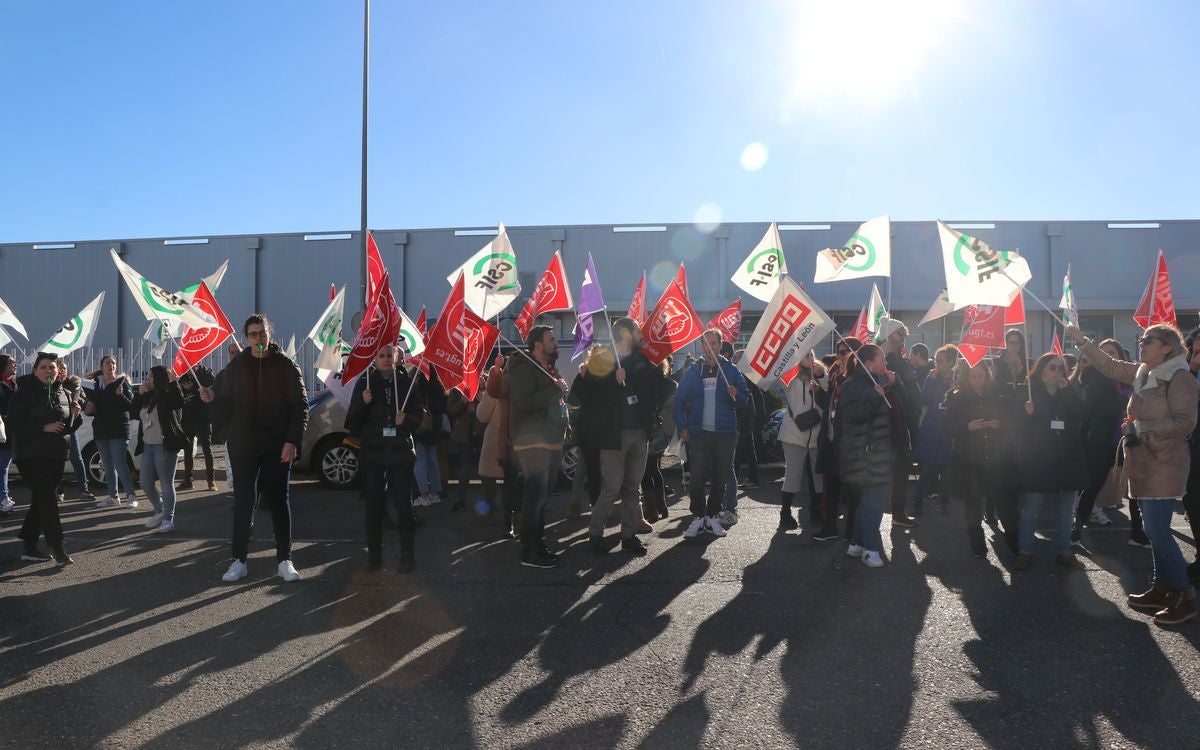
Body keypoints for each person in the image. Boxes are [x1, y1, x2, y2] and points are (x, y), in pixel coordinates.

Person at [1067, 323, 1198, 625]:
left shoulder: (1180, 378)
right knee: (1154, 532)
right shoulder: (1143, 371)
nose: (1141, 344)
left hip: (1165, 464)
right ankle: (1162, 586)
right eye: (1140, 339)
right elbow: (1109, 365)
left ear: (1167, 346)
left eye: (1147, 340)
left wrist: (1142, 429)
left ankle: (1184, 595)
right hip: (1142, 464)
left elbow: (1185, 423)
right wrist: (1082, 340)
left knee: (1158, 532)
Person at [201, 314, 309, 583]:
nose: (259, 338)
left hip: (277, 446)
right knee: (243, 503)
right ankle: (238, 560)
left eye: (262, 333)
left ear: (269, 334)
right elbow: (225, 404)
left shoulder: (285, 365)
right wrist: (212, 399)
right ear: (246, 337)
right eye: (253, 334)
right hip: (244, 446)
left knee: (279, 503)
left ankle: (284, 559)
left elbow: (300, 406)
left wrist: (292, 441)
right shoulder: (237, 367)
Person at [577, 318, 671, 556]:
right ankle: (595, 533)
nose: (642, 334)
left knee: (632, 487)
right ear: (626, 333)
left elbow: (657, 391)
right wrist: (612, 381)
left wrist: (660, 371)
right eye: (638, 330)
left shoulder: (642, 361)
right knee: (611, 487)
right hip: (613, 435)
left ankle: (629, 536)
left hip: (640, 434)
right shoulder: (602, 359)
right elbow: (586, 395)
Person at [345, 344, 423, 572]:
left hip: (400, 451)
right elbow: (353, 421)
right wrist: (363, 403)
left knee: (403, 505)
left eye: (390, 355)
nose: (386, 359)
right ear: (375, 358)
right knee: (374, 506)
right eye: (382, 355)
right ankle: (375, 556)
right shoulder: (365, 383)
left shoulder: (406, 382)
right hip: (373, 453)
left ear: (397, 357)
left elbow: (419, 417)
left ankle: (408, 556)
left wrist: (406, 420)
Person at [1014, 352, 1088, 570]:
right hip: (1038, 458)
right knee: (1031, 509)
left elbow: (1082, 413)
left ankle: (1064, 552)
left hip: (1067, 458)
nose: (1057, 372)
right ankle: (1024, 551)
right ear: (1041, 369)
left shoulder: (1068, 390)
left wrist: (1067, 390)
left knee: (1066, 510)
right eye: (1052, 367)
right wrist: (1026, 414)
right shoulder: (1028, 391)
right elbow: (1015, 426)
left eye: (1060, 368)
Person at [674, 329, 748, 539]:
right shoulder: (693, 371)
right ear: (702, 346)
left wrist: (736, 394)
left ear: (720, 345)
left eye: (714, 343)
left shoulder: (730, 370)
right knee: (696, 478)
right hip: (700, 433)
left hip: (725, 433)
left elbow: (745, 400)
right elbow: (679, 401)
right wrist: (683, 426)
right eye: (706, 344)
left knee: (720, 478)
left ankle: (713, 516)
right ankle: (699, 517)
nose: (710, 347)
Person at [9, 352, 82, 564]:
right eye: (43, 367)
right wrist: (43, 427)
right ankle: (58, 547)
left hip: (56, 455)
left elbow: (68, 428)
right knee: (48, 501)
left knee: (42, 500)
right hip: (30, 455)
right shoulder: (24, 393)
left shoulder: (64, 392)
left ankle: (29, 546)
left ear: (58, 371)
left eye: (52, 367)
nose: (48, 371)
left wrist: (76, 415)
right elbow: (14, 423)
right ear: (35, 371)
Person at [506, 325, 569, 568]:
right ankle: (529, 550)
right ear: (538, 345)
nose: (556, 343)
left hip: (552, 440)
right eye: (552, 339)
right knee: (535, 496)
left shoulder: (549, 367)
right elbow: (524, 401)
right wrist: (554, 390)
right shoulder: (523, 368)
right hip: (532, 442)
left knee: (543, 499)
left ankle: (538, 544)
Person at [838, 344, 903, 568]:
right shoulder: (852, 385)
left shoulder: (879, 382)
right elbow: (852, 415)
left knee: (869, 500)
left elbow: (903, 403)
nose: (885, 364)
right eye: (881, 360)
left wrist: (893, 384)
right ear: (868, 364)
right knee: (874, 501)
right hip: (864, 453)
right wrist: (876, 397)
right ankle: (870, 549)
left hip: (878, 451)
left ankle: (856, 543)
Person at [943, 359, 1008, 558]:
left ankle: (1015, 540)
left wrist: (1000, 423)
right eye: (972, 376)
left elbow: (1010, 419)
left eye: (980, 375)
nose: (976, 380)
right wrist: (967, 427)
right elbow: (947, 427)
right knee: (972, 504)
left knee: (1003, 501)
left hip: (995, 456)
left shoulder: (996, 393)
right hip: (968, 459)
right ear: (965, 377)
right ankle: (977, 544)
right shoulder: (955, 397)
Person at [1071, 339, 1130, 542]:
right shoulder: (1094, 377)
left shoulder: (1132, 376)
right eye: (1103, 353)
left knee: (1135, 491)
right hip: (1103, 441)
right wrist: (1123, 401)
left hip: (1132, 440)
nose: (1108, 357)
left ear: (1120, 355)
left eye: (1112, 352)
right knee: (1092, 486)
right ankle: (1076, 530)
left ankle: (1140, 533)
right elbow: (1094, 410)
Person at [813, 337, 863, 542]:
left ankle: (853, 531)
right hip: (832, 438)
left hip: (850, 442)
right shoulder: (834, 374)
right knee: (832, 486)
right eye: (839, 352)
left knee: (852, 489)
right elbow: (828, 405)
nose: (840, 356)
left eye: (844, 352)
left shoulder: (860, 377)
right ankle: (830, 525)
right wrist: (819, 392)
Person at [775, 350, 828, 530]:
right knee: (793, 474)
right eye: (806, 356)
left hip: (817, 434)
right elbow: (778, 375)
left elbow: (829, 393)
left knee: (817, 476)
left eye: (812, 355)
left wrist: (820, 376)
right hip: (793, 434)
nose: (811, 359)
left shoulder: (821, 374)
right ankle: (785, 513)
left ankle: (816, 512)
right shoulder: (790, 376)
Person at [131, 365, 187, 533]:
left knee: (166, 484)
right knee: (146, 483)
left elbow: (180, 401)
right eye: (148, 376)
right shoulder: (147, 396)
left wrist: (173, 382)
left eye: (151, 376)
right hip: (148, 446)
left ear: (159, 378)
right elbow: (134, 413)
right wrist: (139, 394)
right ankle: (160, 509)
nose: (148, 379)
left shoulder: (169, 394)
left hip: (165, 446)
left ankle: (168, 520)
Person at [878, 318, 919, 528]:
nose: (904, 337)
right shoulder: (879, 360)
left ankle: (898, 513)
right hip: (885, 424)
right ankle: (869, 521)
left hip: (904, 422)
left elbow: (911, 391)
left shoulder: (902, 361)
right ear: (890, 333)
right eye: (900, 333)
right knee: (879, 474)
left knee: (902, 471)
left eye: (905, 333)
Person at [83, 355, 138, 509]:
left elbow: (131, 406)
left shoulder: (122, 383)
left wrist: (120, 396)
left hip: (119, 429)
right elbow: (92, 408)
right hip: (101, 430)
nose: (111, 366)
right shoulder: (96, 385)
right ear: (101, 367)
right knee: (107, 465)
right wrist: (88, 410)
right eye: (108, 363)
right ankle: (112, 496)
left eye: (113, 363)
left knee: (119, 462)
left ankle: (131, 495)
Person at [913, 344, 958, 516]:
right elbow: (924, 399)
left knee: (947, 471)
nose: (937, 364)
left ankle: (945, 503)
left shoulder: (958, 380)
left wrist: (956, 387)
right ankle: (917, 502)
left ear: (951, 362)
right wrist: (930, 381)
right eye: (936, 360)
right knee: (928, 469)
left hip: (949, 431)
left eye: (942, 361)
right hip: (932, 430)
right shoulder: (932, 377)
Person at [641, 357, 677, 522]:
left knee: (646, 471)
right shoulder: (668, 383)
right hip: (662, 432)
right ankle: (661, 506)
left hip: (650, 429)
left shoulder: (649, 383)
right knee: (654, 468)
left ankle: (651, 510)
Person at [54, 359, 92, 502]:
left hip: (71, 428)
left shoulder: (74, 384)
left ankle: (84, 490)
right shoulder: (52, 385)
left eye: (64, 368)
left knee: (77, 458)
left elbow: (84, 401)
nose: (62, 370)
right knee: (57, 460)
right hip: (57, 428)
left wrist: (78, 403)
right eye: (60, 368)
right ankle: (59, 491)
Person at [178, 365, 217, 492]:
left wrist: (193, 387)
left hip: (203, 418)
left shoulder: (206, 374)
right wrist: (182, 389)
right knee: (188, 451)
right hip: (188, 418)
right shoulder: (184, 376)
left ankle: (211, 480)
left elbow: (210, 390)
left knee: (207, 449)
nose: (190, 365)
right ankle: (188, 480)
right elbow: (179, 394)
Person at [412, 368, 447, 507]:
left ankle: (423, 494)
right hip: (436, 425)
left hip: (423, 424)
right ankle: (435, 492)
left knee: (420, 459)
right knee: (433, 458)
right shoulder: (439, 385)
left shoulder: (420, 384)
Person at [1183, 327, 1200, 581]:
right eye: (1195, 348)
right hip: (1191, 446)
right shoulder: (1184, 374)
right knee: (1193, 500)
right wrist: (1193, 371)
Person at [0, 354, 17, 514]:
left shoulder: (14, 384)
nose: (15, 365)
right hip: (2, 432)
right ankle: (3, 498)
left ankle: (4, 496)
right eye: (11, 363)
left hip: (13, 432)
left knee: (4, 466)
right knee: (3, 467)